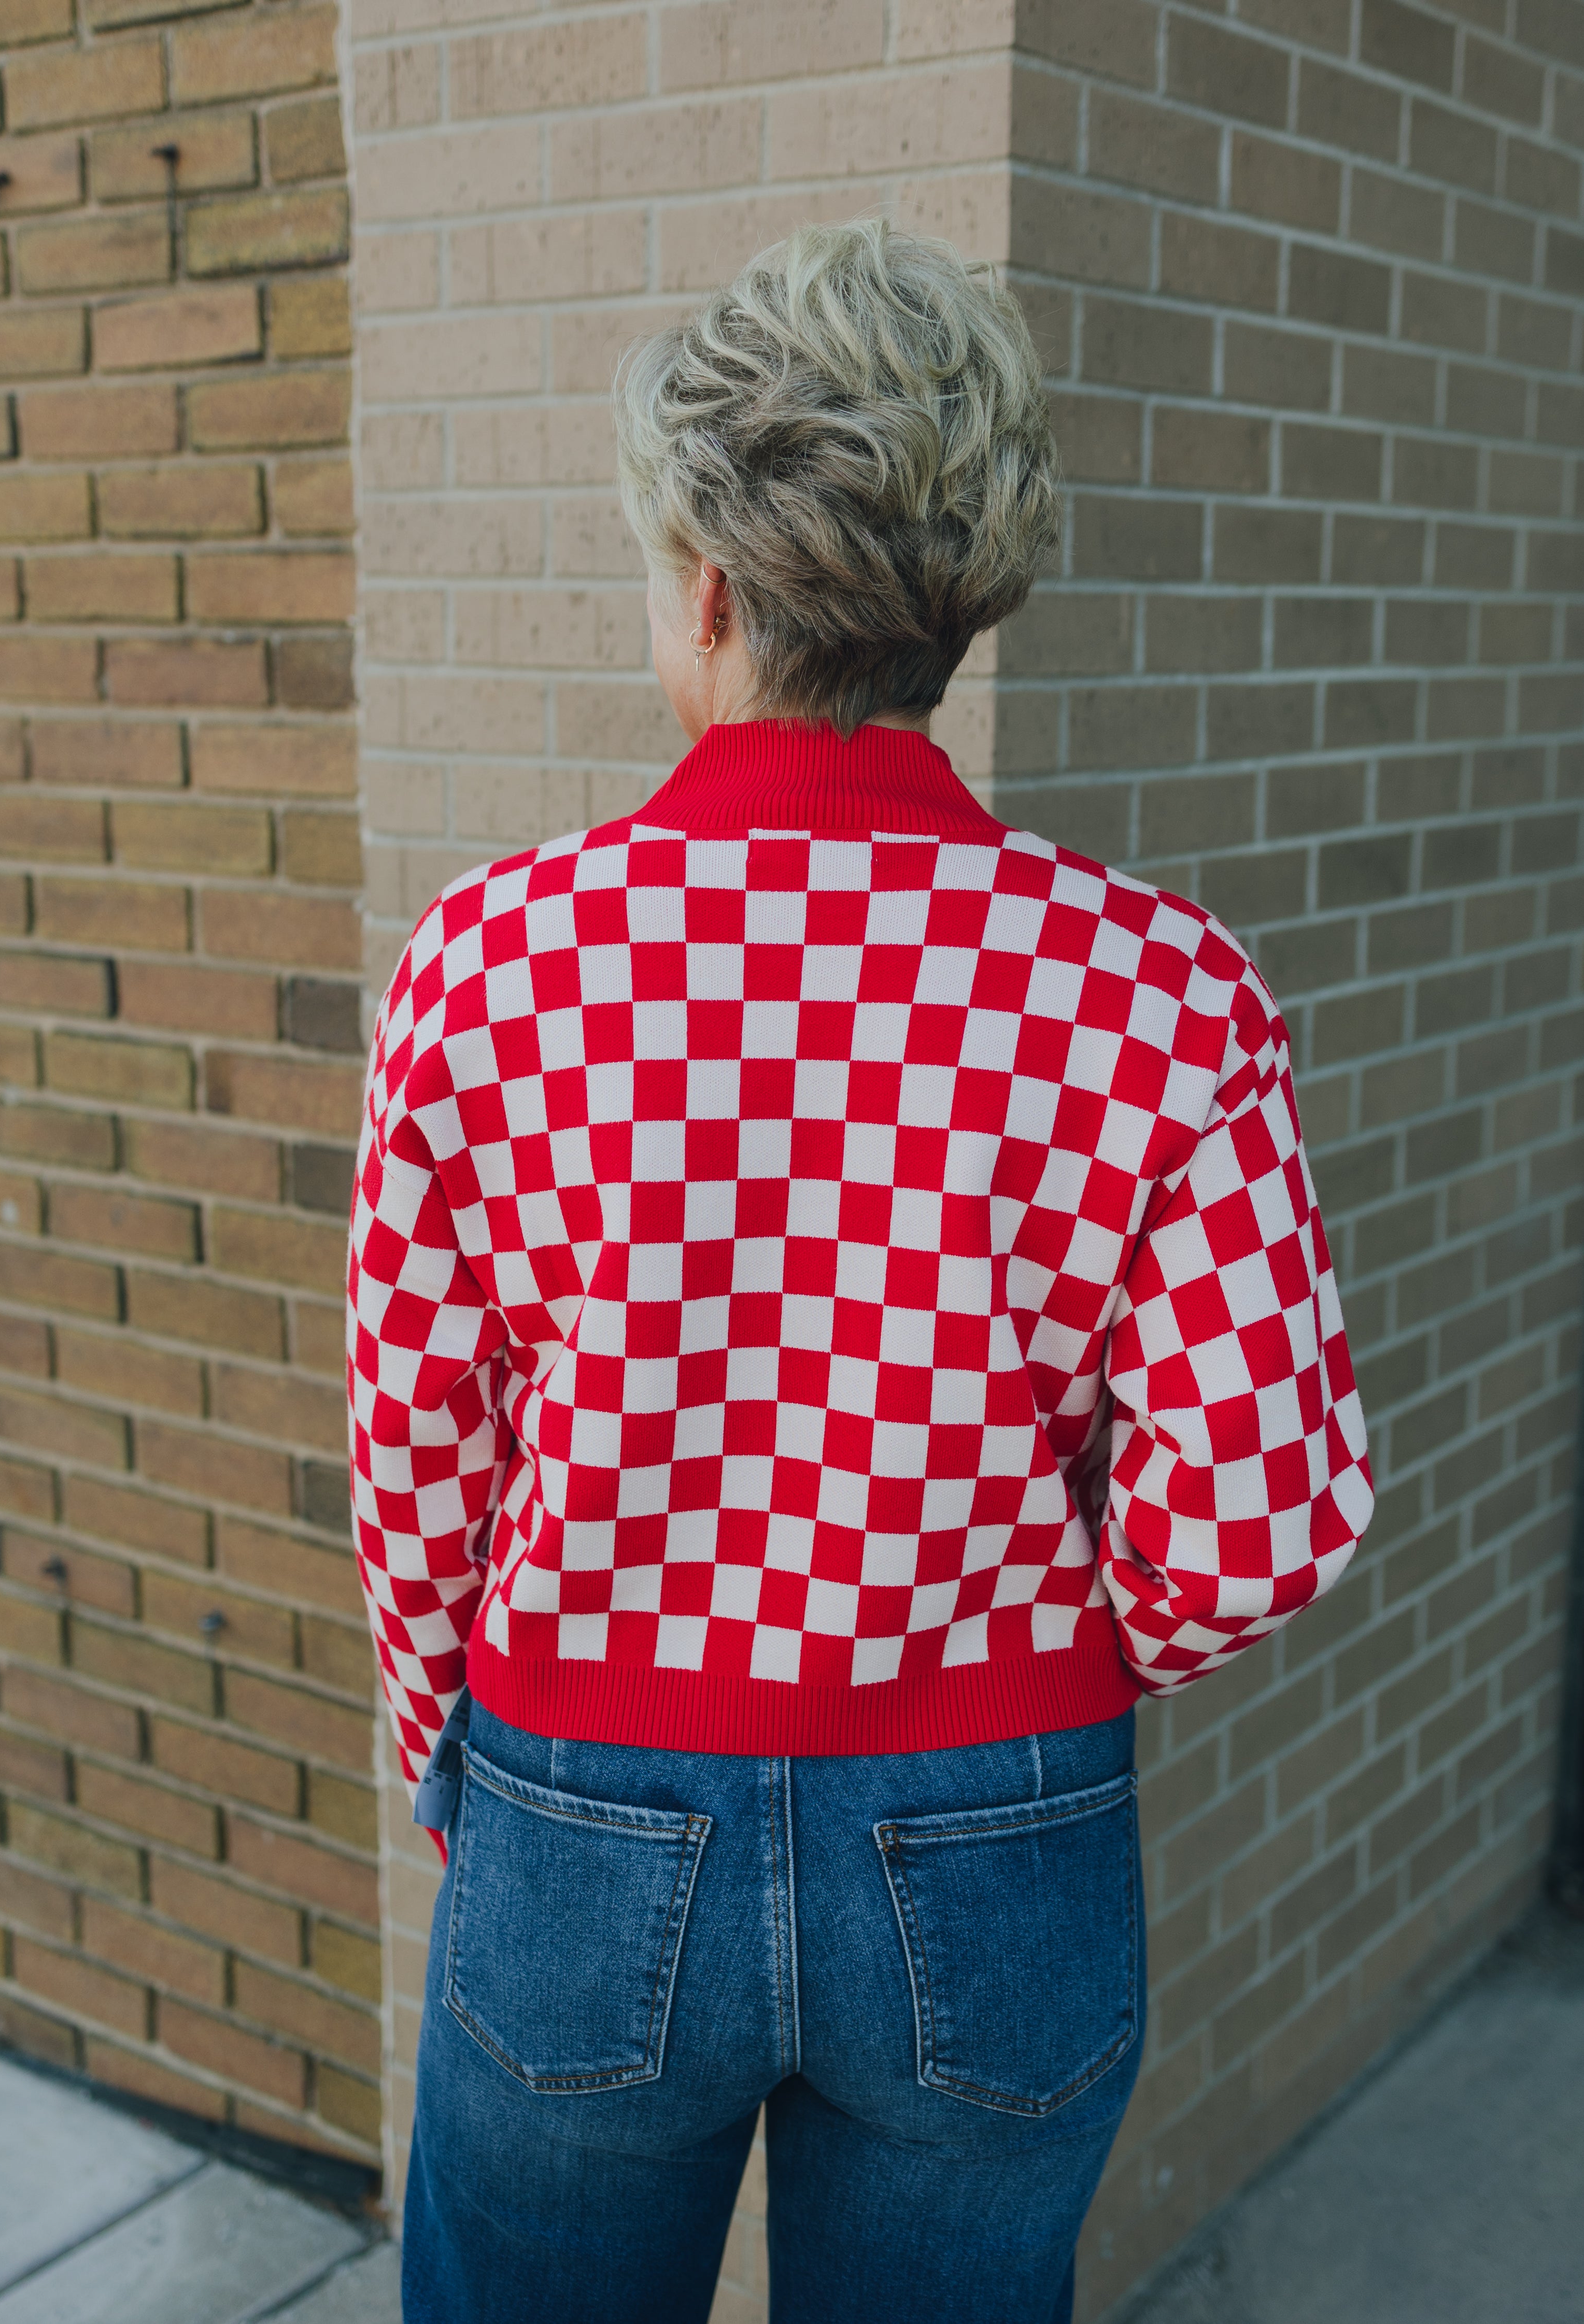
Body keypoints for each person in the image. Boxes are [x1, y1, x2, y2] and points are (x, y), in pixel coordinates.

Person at [346, 221, 1374, 2324]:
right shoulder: (1157, 989)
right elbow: (1254, 1527)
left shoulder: (491, 964)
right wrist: (1031, 1652)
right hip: (999, 1826)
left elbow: (417, 1452)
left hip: (582, 1801)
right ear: (951, 599)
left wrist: (463, 1750)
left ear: (710, 591)